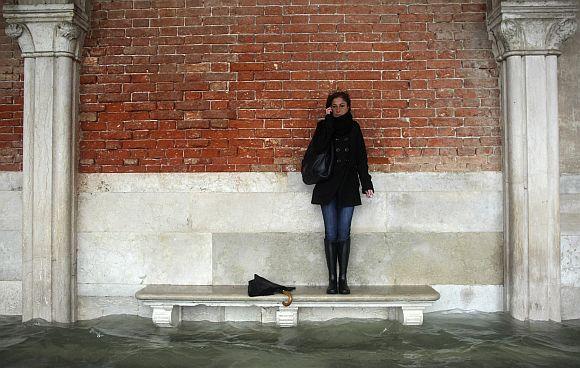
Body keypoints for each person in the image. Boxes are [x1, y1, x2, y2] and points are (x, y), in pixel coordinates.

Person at [309, 91, 374, 294]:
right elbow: (318, 148)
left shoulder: (354, 128)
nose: (338, 109)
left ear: (348, 107)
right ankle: (332, 279)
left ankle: (343, 279)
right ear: (329, 108)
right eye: (334, 106)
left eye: (342, 106)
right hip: (327, 186)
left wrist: (366, 183)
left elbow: (361, 158)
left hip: (347, 186)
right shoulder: (323, 126)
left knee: (344, 232)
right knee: (331, 233)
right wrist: (328, 121)